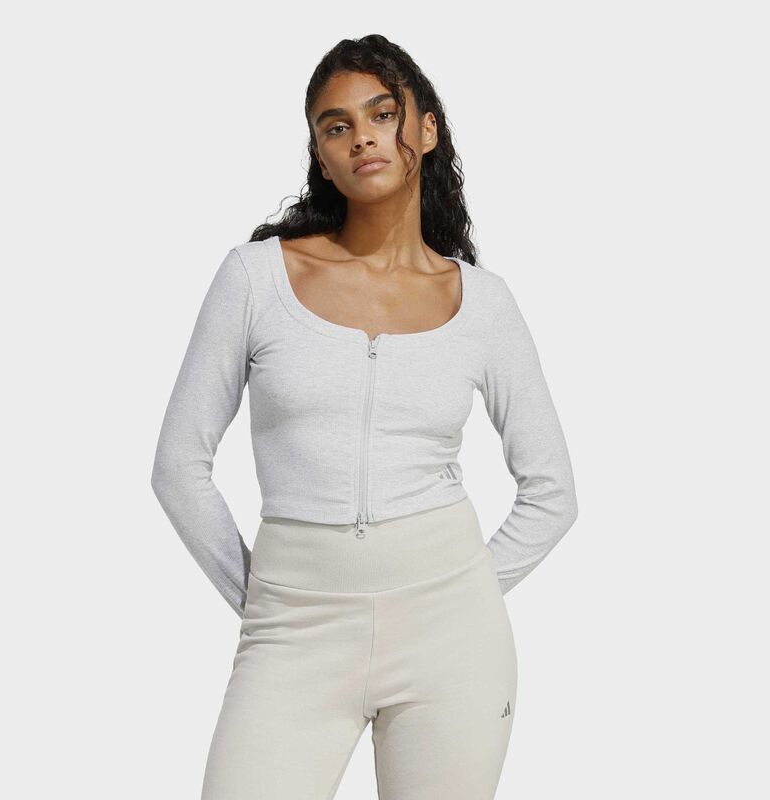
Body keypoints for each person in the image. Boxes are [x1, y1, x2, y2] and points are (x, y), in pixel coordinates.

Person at [151, 34, 578, 800]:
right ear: (321, 156)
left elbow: (553, 491)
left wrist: (461, 593)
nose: (362, 137)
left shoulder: (483, 303)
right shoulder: (256, 279)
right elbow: (179, 466)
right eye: (336, 125)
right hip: (294, 632)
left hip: (454, 643)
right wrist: (265, 598)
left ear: (426, 128)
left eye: (383, 114)